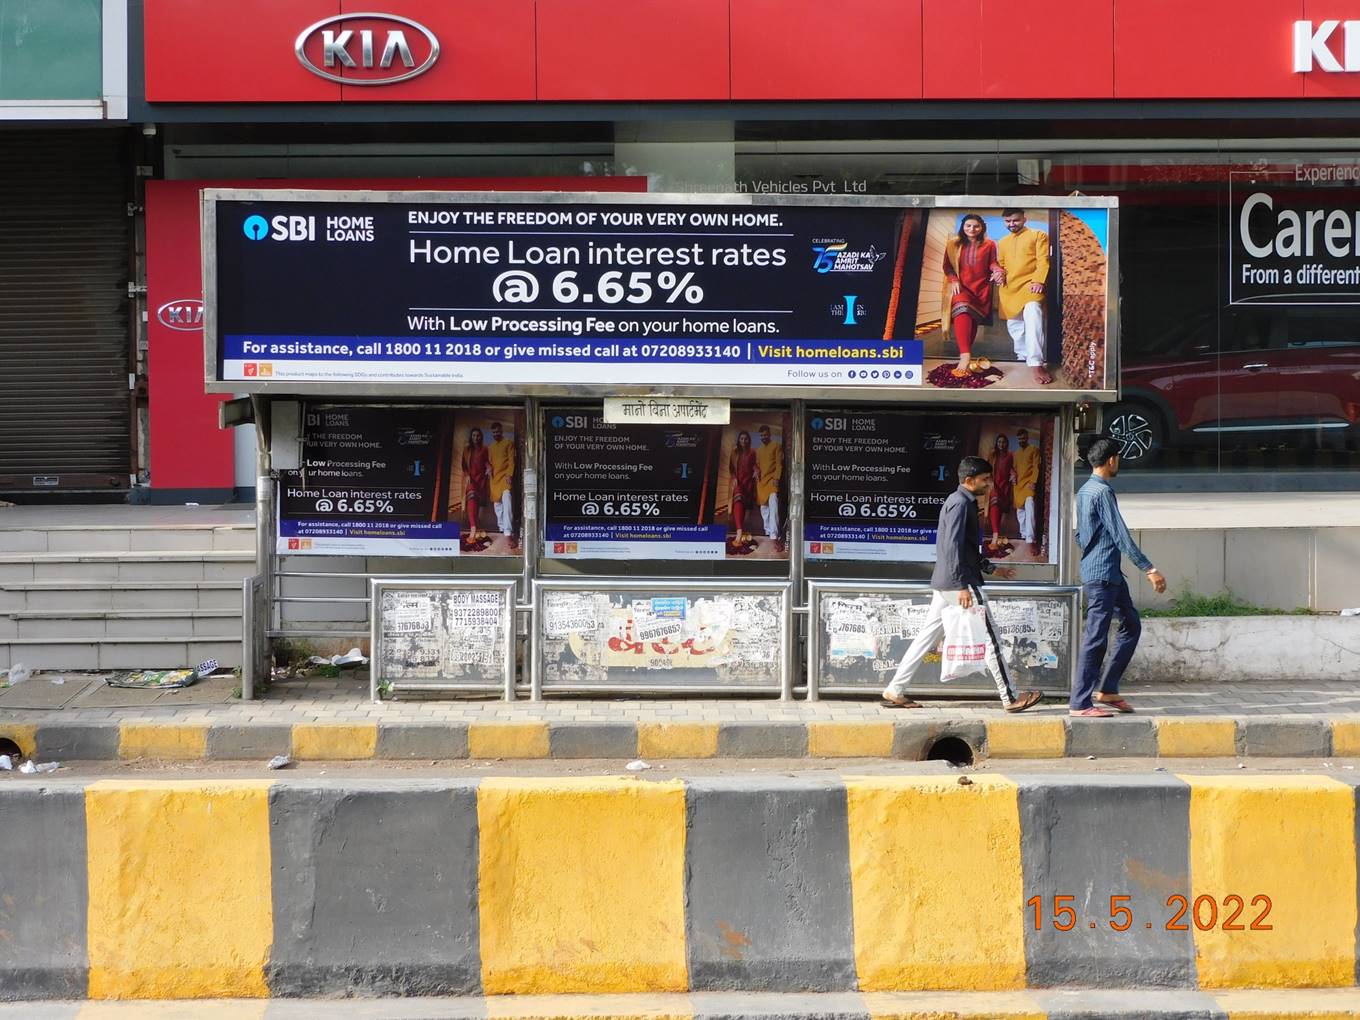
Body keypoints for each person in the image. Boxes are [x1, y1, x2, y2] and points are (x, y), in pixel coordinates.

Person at [881, 456, 1043, 713]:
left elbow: (965, 548)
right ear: (969, 480)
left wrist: (992, 569)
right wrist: (961, 586)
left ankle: (895, 689)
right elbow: (952, 546)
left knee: (925, 638)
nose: (989, 485)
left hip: (947, 582)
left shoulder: (960, 502)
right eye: (985, 480)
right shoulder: (960, 504)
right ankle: (1010, 697)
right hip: (958, 583)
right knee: (991, 638)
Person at [1071, 438, 1167, 717]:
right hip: (1102, 575)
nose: (1119, 463)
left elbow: (1080, 535)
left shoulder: (1085, 490)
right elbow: (1120, 534)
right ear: (1111, 460)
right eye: (1119, 458)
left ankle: (1108, 689)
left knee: (1131, 623)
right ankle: (1080, 702)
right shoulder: (1102, 492)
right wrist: (1149, 568)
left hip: (1107, 572)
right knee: (1095, 638)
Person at [995, 209, 1052, 385]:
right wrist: (999, 274)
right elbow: (1001, 265)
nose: (1011, 224)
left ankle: (1036, 363)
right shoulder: (1003, 242)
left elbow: (1043, 261)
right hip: (1009, 287)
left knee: (1033, 312)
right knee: (1015, 325)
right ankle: (1022, 357)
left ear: (1024, 219)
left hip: (1031, 284)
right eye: (1007, 221)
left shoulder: (1038, 235)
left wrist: (1039, 281)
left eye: (1015, 220)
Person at [941, 213, 1000, 378]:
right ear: (963, 227)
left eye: (976, 226)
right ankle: (965, 356)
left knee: (971, 321)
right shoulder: (953, 244)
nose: (972, 229)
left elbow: (992, 262)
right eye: (968, 226)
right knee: (963, 310)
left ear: (982, 228)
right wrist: (953, 280)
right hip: (961, 287)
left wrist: (997, 270)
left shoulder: (989, 244)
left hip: (981, 289)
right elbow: (947, 267)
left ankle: (966, 355)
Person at [755, 424, 785, 552]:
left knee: (774, 509)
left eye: (765, 434)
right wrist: (756, 470)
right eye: (761, 435)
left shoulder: (776, 446)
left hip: (772, 482)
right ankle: (768, 532)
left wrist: (777, 478)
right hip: (761, 482)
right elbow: (757, 464)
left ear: (769, 434)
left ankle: (774, 537)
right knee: (764, 509)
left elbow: (779, 464)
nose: (764, 437)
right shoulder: (759, 449)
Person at [1013, 427, 1042, 554]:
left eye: (1023, 437)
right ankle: (1024, 535)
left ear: (1027, 438)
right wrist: (1012, 476)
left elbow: (1036, 467)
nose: (1021, 440)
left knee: (1029, 508)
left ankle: (1031, 540)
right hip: (1018, 485)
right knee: (1020, 511)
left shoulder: (1034, 450)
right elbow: (1014, 468)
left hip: (1029, 484)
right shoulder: (1016, 453)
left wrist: (1033, 482)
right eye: (1019, 438)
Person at [488, 421, 516, 546]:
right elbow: (489, 462)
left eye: (498, 431)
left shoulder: (508, 443)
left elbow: (512, 460)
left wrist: (509, 474)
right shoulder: (491, 446)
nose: (496, 434)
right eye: (494, 432)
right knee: (497, 506)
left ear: (502, 431)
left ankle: (508, 533)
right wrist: (488, 468)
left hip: (505, 478)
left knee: (507, 501)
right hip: (494, 479)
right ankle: (501, 527)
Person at [461, 427, 490, 543]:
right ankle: (473, 528)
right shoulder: (466, 449)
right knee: (471, 499)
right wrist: (467, 475)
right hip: (471, 479)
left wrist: (489, 468)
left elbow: (487, 462)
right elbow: (463, 465)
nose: (475, 438)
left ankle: (475, 526)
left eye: (478, 436)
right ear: (471, 436)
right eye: (473, 435)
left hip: (481, 479)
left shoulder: (484, 449)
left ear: (481, 437)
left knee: (476, 503)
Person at [728, 429, 758, 547]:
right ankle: (739, 532)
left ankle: (741, 528)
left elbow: (755, 465)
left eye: (745, 439)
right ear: (738, 440)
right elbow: (731, 467)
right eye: (741, 439)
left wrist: (756, 471)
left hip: (748, 482)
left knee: (743, 506)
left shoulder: (753, 452)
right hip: (738, 482)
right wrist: (734, 477)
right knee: (738, 500)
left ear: (748, 440)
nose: (743, 441)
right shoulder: (734, 452)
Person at [986, 433, 1015, 554]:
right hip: (994, 485)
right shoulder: (992, 455)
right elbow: (987, 469)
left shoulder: (1010, 455)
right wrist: (990, 482)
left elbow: (1013, 468)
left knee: (999, 509)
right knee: (994, 505)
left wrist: (1013, 474)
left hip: (1005, 487)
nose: (1001, 444)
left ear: (1006, 443)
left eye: (1003, 442)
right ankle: (995, 536)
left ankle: (997, 535)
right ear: (996, 443)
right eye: (999, 442)